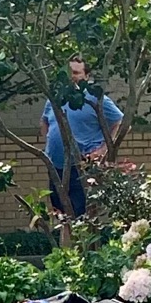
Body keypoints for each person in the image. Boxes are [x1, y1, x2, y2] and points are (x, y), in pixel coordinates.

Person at [45, 55, 125, 219]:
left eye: (76, 72)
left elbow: (121, 123)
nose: (71, 76)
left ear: (86, 76)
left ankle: (81, 245)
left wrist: (103, 149)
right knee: (59, 214)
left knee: (79, 214)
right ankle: (65, 245)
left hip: (81, 167)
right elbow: (45, 121)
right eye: (69, 72)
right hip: (55, 165)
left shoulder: (95, 98)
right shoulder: (56, 97)